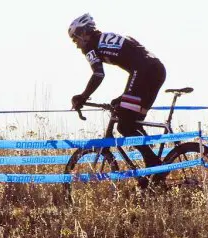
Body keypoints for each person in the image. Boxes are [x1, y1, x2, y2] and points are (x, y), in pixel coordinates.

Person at [68, 13, 166, 170]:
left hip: (143, 72)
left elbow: (98, 74)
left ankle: (153, 163)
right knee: (130, 117)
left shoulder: (90, 46)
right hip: (156, 69)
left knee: (124, 126)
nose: (77, 45)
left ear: (84, 33)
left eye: (75, 39)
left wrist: (82, 96)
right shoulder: (105, 37)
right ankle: (154, 168)